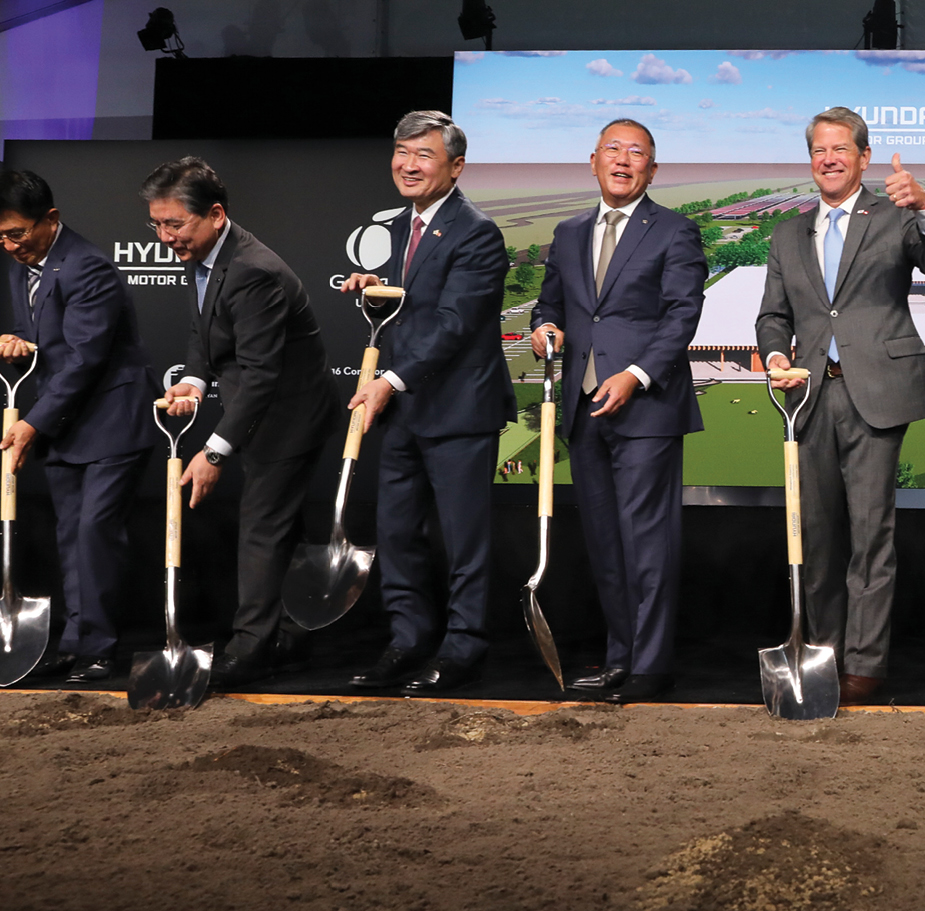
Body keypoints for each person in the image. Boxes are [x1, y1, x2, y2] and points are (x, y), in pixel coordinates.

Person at [753, 106, 925, 705]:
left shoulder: (895, 214)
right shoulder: (788, 233)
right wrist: (773, 357)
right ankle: (823, 655)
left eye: (841, 148)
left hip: (878, 394)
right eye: (819, 149)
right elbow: (773, 316)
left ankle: (865, 666)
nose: (829, 158)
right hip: (808, 396)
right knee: (816, 538)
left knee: (871, 537)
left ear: (864, 158)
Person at [143, 157, 339, 689]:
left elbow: (260, 376)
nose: (165, 237)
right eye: (157, 225)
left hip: (287, 417)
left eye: (175, 224)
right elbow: (205, 332)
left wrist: (212, 453)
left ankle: (251, 649)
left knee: (261, 529)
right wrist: (194, 382)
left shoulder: (253, 271)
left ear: (215, 214)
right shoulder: (204, 252)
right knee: (278, 530)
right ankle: (289, 636)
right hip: (257, 407)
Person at [339, 111, 516, 695]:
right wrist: (374, 287)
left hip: (459, 410)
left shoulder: (476, 231)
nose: (408, 165)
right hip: (406, 413)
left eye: (424, 155)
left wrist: (389, 382)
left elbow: (453, 324)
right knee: (396, 534)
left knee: (465, 541)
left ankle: (463, 648)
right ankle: (408, 639)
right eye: (401, 152)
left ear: (456, 167)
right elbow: (411, 304)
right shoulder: (401, 228)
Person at [531, 119, 705, 704]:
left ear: (653, 170)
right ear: (593, 160)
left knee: (647, 543)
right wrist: (542, 328)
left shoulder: (676, 231)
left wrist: (635, 375)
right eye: (614, 149)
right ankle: (619, 658)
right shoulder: (568, 230)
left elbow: (682, 316)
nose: (624, 160)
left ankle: (652, 668)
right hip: (584, 409)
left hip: (647, 407)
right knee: (605, 543)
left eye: (637, 153)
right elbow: (549, 305)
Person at [0, 168, 160, 683]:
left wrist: (31, 426)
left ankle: (100, 645)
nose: (8, 246)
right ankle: (76, 639)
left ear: (50, 218)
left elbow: (86, 359)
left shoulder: (88, 267)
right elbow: (48, 345)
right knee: (70, 535)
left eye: (17, 233)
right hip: (67, 423)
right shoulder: (23, 264)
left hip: (112, 421)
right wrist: (20, 345)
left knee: (94, 534)